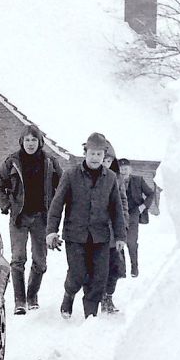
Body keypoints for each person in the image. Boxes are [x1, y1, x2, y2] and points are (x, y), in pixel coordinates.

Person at [46, 132, 127, 319]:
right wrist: (51, 231)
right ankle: (69, 294)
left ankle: (90, 317)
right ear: (85, 152)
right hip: (75, 235)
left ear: (104, 155)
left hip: (101, 236)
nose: (95, 158)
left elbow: (117, 209)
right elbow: (57, 204)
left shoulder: (111, 178)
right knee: (78, 274)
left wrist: (121, 236)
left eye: (99, 154)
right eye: (92, 153)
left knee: (99, 278)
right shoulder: (71, 175)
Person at [0, 125, 63, 315]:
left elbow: (62, 188)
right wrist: (6, 204)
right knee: (18, 259)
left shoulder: (50, 162)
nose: (30, 144)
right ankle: (19, 301)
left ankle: (32, 296)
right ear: (22, 142)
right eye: (27, 140)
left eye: (34, 140)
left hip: (42, 218)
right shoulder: (12, 162)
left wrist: (57, 212)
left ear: (40, 142)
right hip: (19, 218)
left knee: (40, 261)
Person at [102, 148, 130, 314]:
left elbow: (124, 203)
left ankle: (108, 296)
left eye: (108, 160)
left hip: (114, 229)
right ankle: (97, 298)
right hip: (96, 230)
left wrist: (124, 224)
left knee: (116, 266)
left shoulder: (117, 179)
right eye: (104, 159)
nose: (105, 163)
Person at [119, 157, 156, 277]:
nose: (124, 171)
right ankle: (122, 269)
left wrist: (143, 206)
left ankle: (134, 267)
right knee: (119, 241)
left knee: (131, 241)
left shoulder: (138, 180)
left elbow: (151, 193)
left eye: (126, 168)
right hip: (118, 214)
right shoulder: (114, 181)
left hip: (134, 213)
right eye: (121, 169)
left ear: (130, 169)